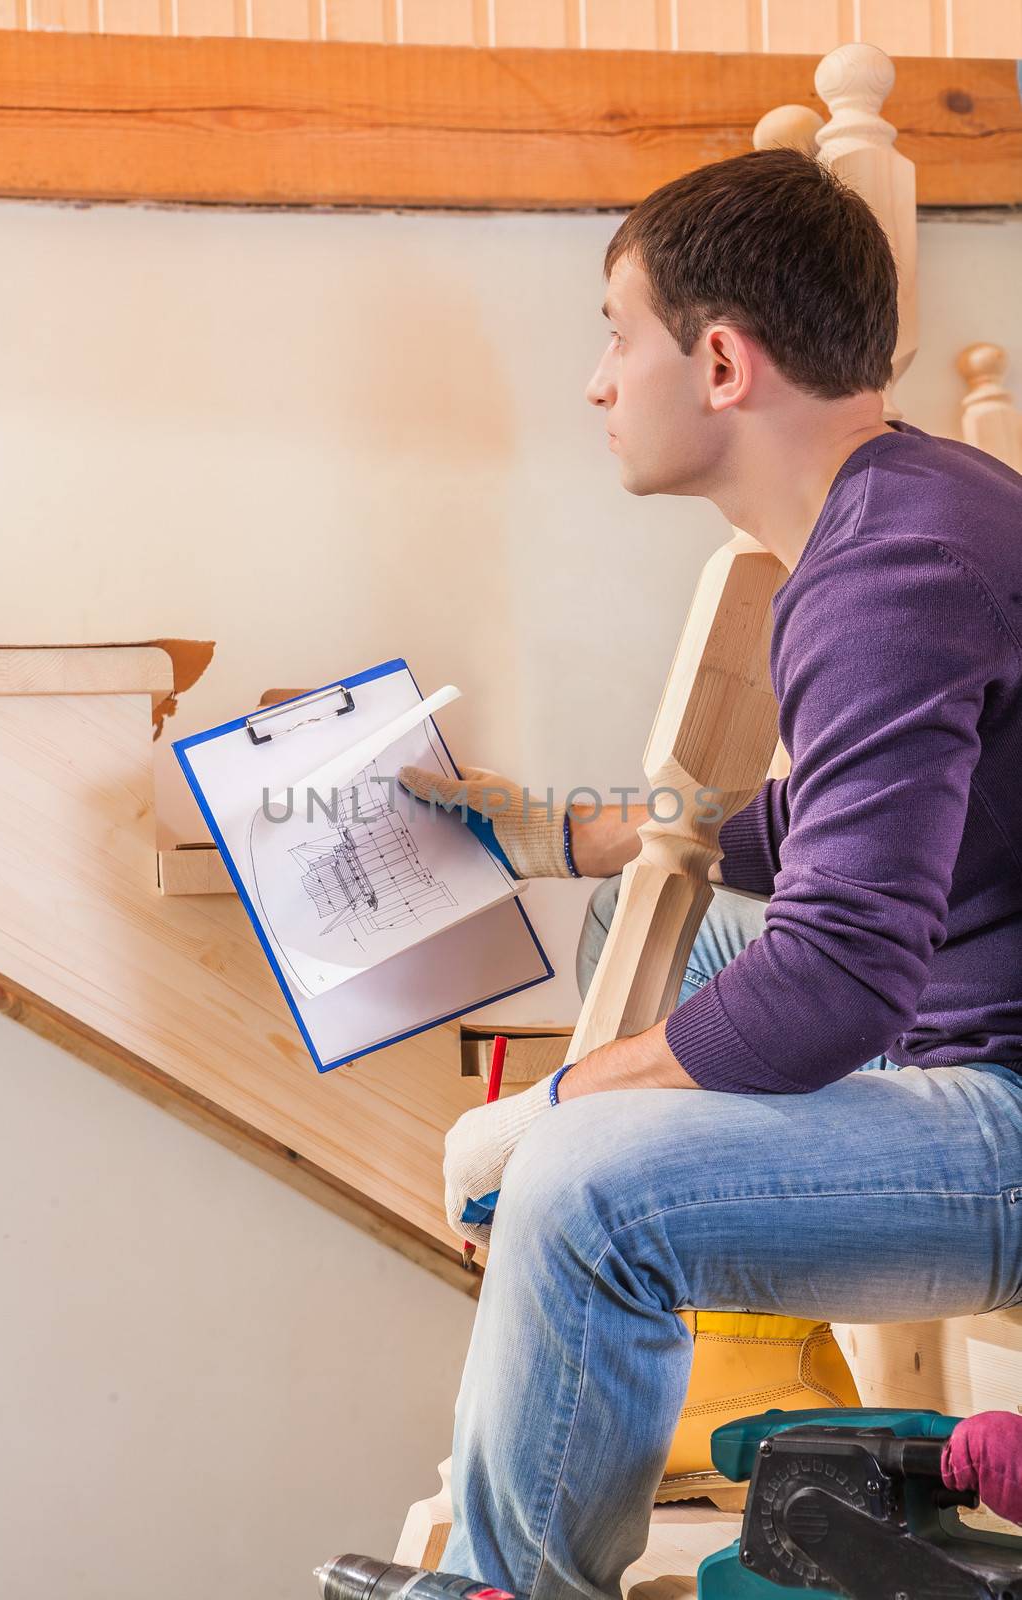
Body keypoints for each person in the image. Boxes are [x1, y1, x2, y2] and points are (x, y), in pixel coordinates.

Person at [397, 146, 1022, 1600]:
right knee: (668, 917)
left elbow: (840, 984)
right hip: (974, 1013)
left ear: (723, 360)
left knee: (584, 1191)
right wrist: (579, 833)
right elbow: (853, 823)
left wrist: (556, 1108)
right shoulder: (919, 503)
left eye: (619, 337)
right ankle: (656, 1380)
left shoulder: (886, 576)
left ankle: (507, 1583)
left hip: (1006, 1115)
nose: (603, 382)